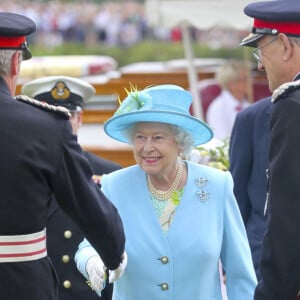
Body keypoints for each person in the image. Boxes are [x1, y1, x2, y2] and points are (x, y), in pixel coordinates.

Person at [74, 84, 257, 299]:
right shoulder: (115, 185)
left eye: (158, 137)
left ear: (181, 142)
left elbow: (240, 273)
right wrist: (92, 262)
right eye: (140, 137)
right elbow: (87, 246)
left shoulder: (216, 185)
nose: (147, 147)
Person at [0, 12, 126, 300]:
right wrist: (114, 255)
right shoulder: (46, 127)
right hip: (19, 284)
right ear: (17, 63)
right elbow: (88, 206)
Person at [21, 76, 121, 300]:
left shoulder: (111, 174)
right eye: (51, 117)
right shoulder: (18, 169)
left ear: (80, 118)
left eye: (66, 116)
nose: (59, 125)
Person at [241, 1, 300, 298]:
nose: (261, 64)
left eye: (261, 50)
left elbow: (288, 220)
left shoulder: (293, 106)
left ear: (286, 46)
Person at [229, 97, 272, 281]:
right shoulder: (251, 118)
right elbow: (237, 194)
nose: (261, 66)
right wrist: (232, 260)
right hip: (262, 257)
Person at [206, 59, 250, 140]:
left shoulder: (247, 103)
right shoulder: (218, 108)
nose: (249, 82)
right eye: (244, 79)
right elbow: (223, 140)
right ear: (231, 84)